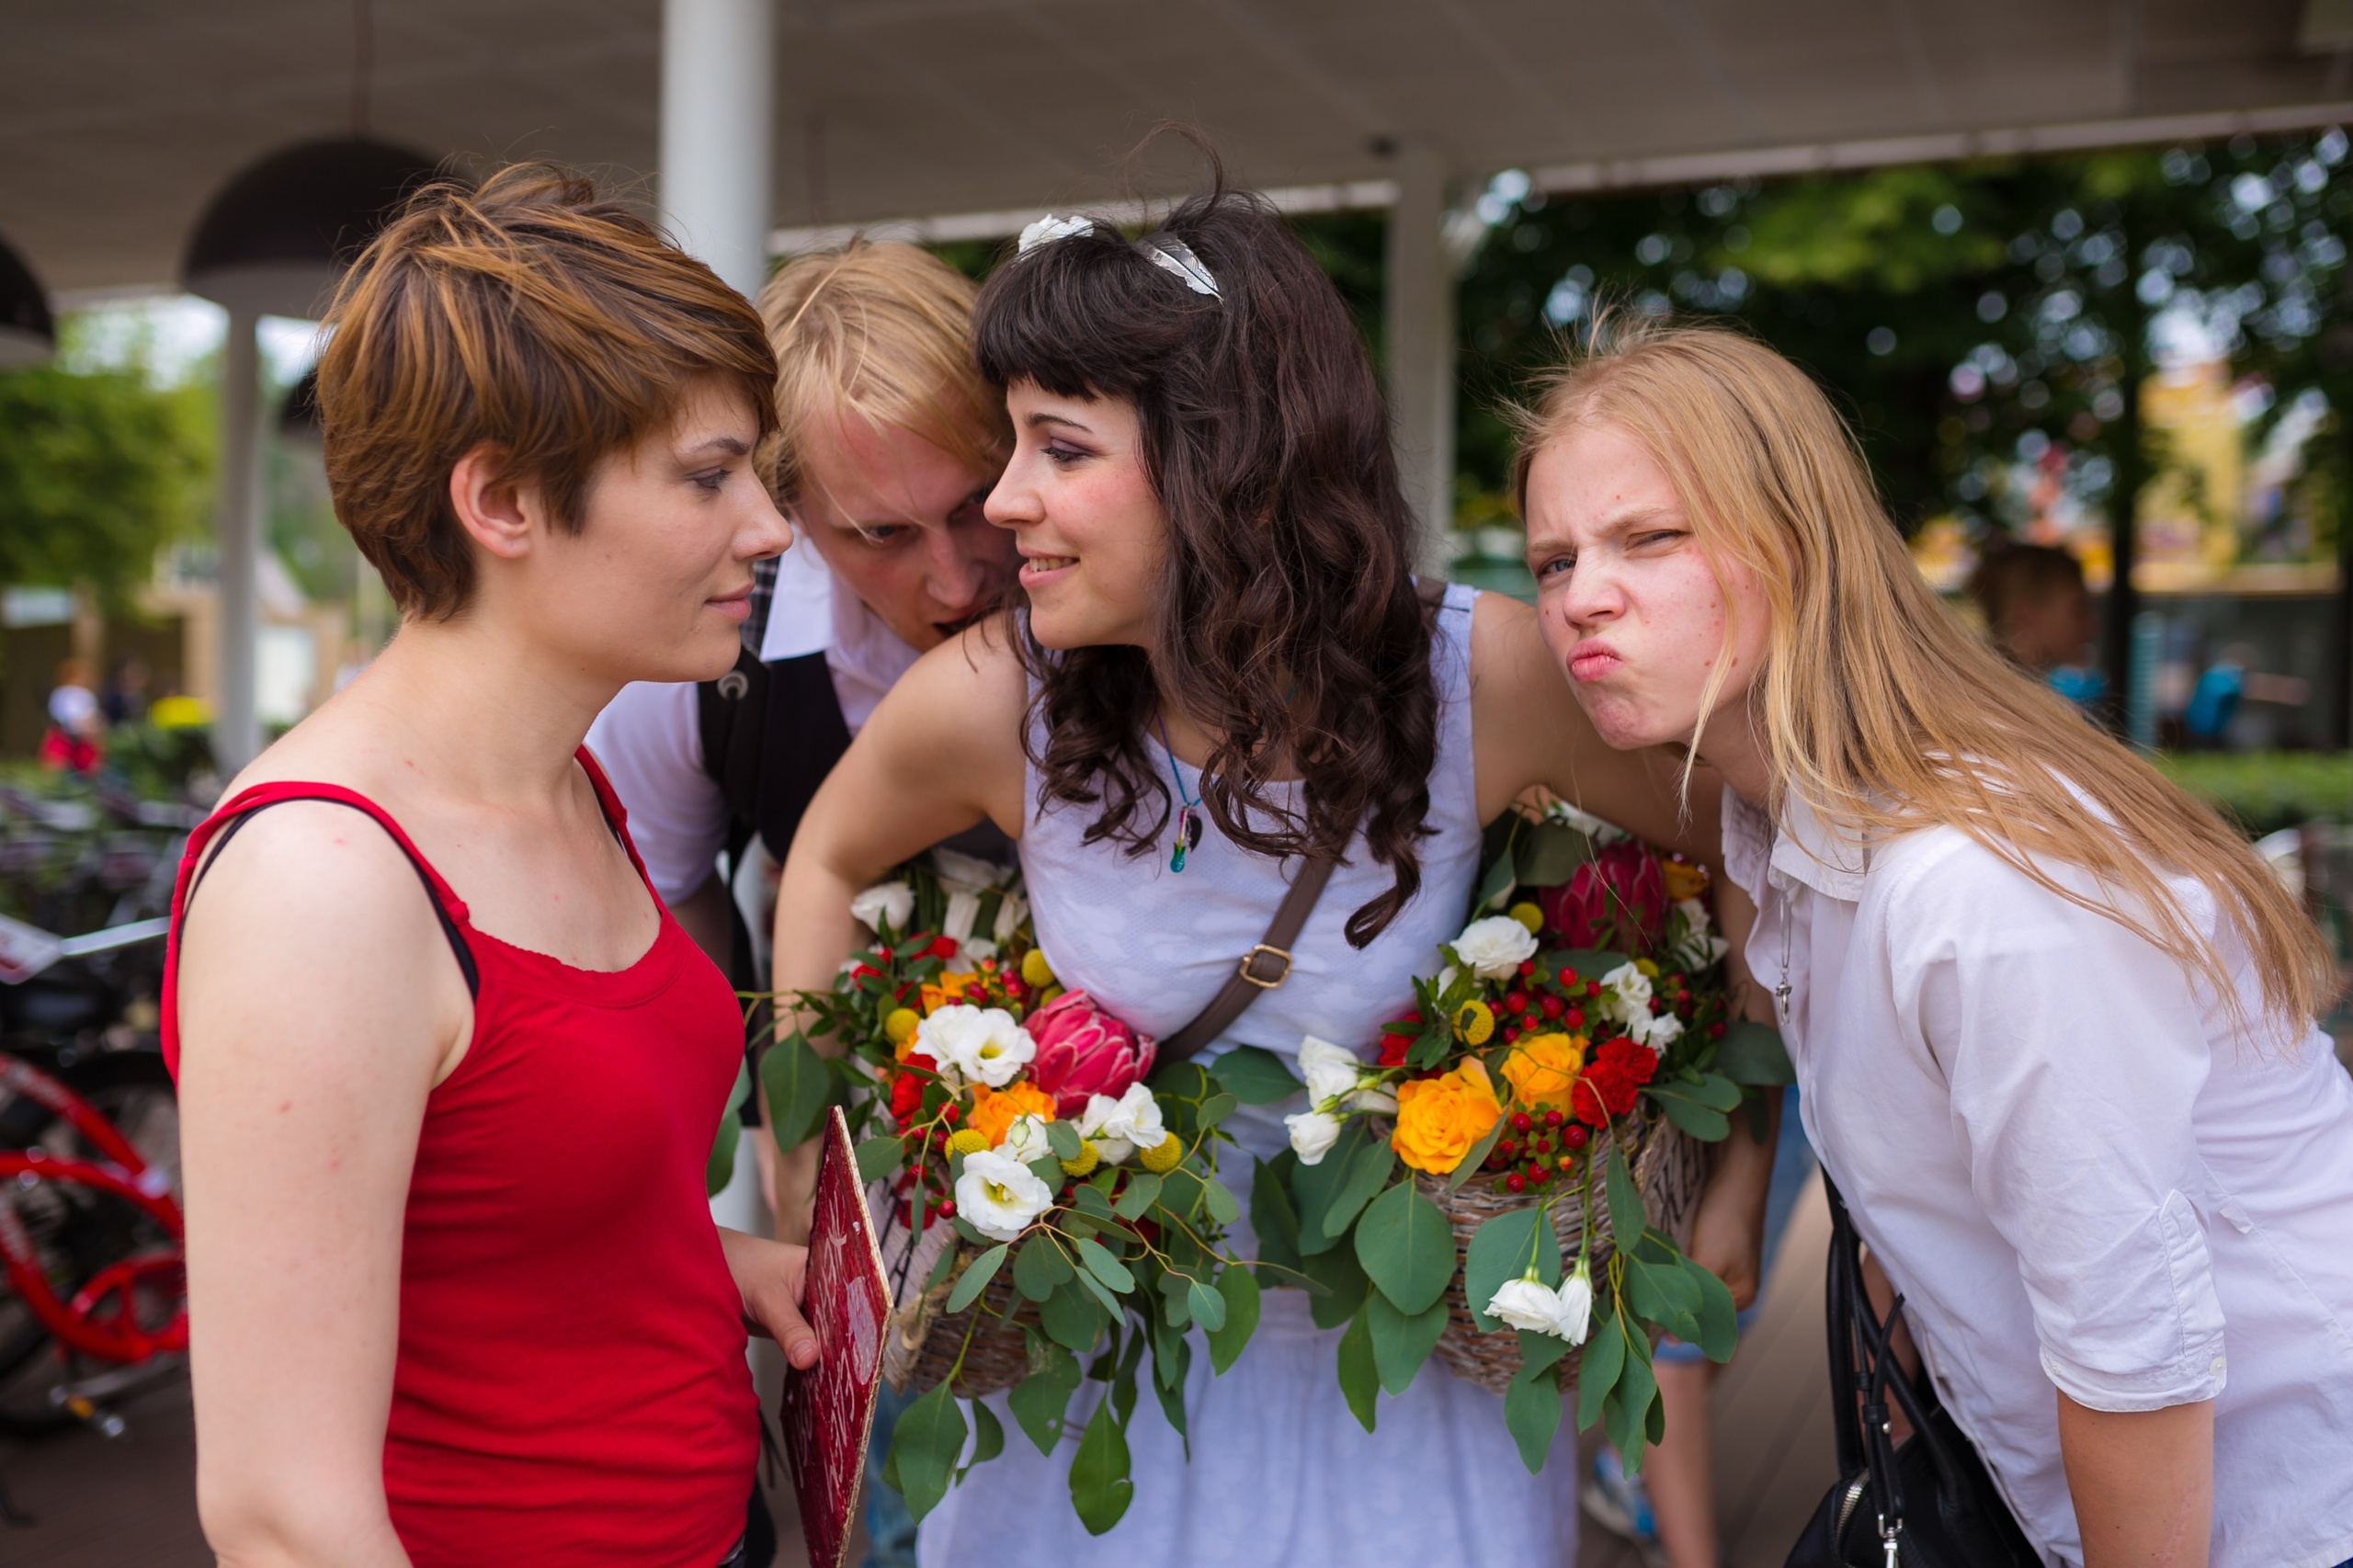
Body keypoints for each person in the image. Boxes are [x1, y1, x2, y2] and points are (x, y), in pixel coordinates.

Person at [769, 175, 1772, 1566]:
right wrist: (811, 1182)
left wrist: (1738, 1160)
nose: (1005, 503)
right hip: (1101, 1398)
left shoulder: (1475, 678)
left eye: (1060, 448)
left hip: (1413, 1387)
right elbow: (825, 854)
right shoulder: (1003, 698)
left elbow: (1745, 832)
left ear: (1218, 463)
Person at [1513, 315, 2353, 1568]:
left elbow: (2136, 1356)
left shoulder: (1974, 882)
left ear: (1798, 545)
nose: (1582, 593)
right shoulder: (1786, 828)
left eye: (1650, 537)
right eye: (1553, 559)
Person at [165, 165, 818, 1568]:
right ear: (504, 500)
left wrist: (712, 1264)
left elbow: (495, 1214)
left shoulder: (571, 784)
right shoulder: (322, 882)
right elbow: (284, 1518)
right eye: (710, 476)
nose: (770, 529)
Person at [586, 237, 1016, 1568]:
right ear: (789, 514)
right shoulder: (704, 665)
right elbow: (659, 912)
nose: (958, 578)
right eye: (881, 535)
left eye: (978, 505)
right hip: (858, 1187)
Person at [1965, 540, 2105, 710]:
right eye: (2079, 610)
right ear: (2027, 612)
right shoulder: (1997, 699)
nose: (2093, 623)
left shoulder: (1986, 682)